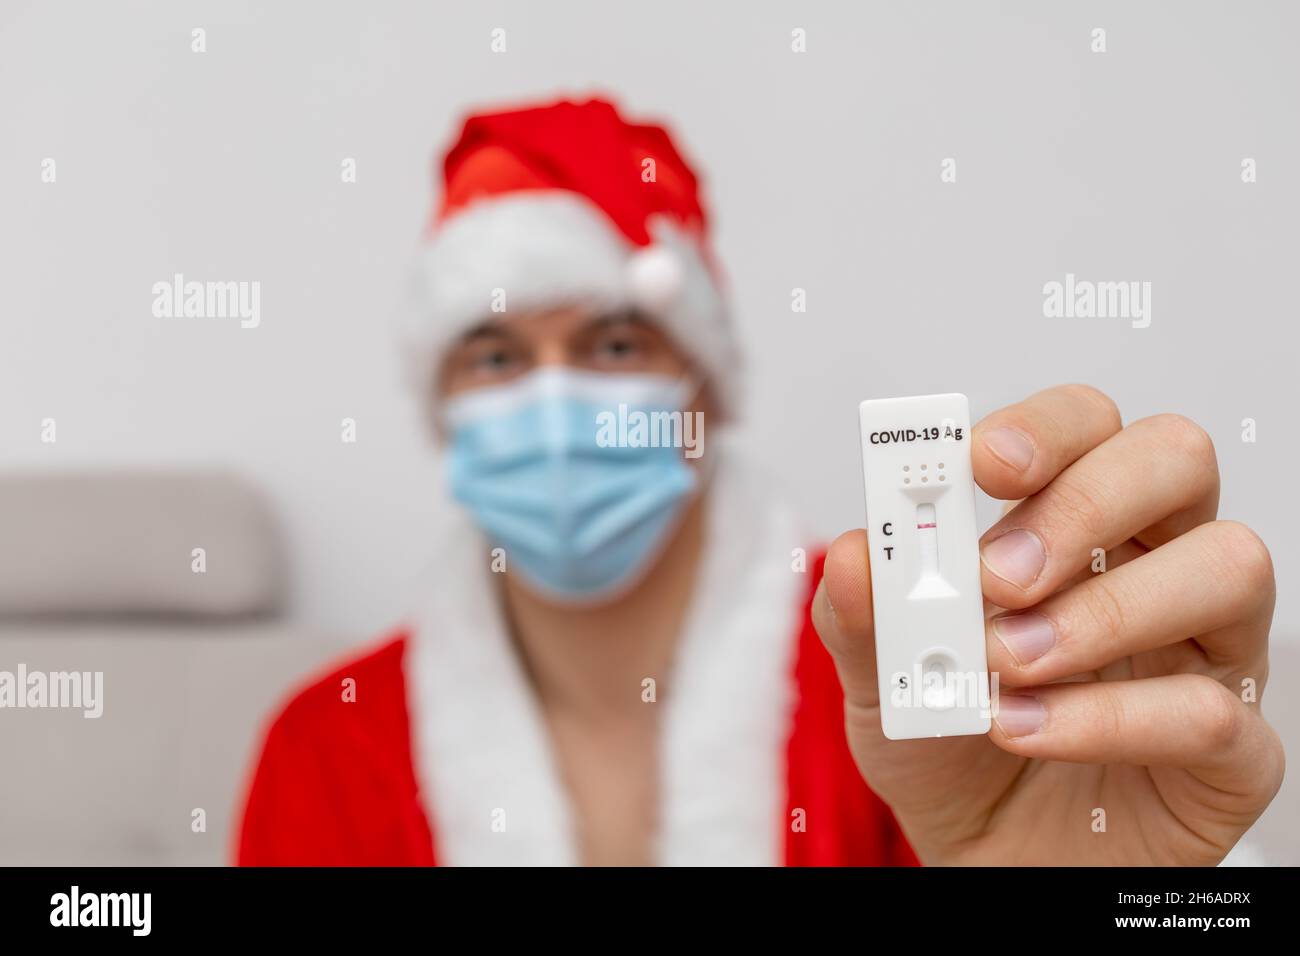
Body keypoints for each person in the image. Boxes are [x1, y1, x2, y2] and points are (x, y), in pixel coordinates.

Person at [236, 97, 1283, 867]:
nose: (554, 405)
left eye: (611, 341)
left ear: (709, 385)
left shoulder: (924, 703)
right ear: (441, 400)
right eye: (497, 356)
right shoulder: (321, 745)